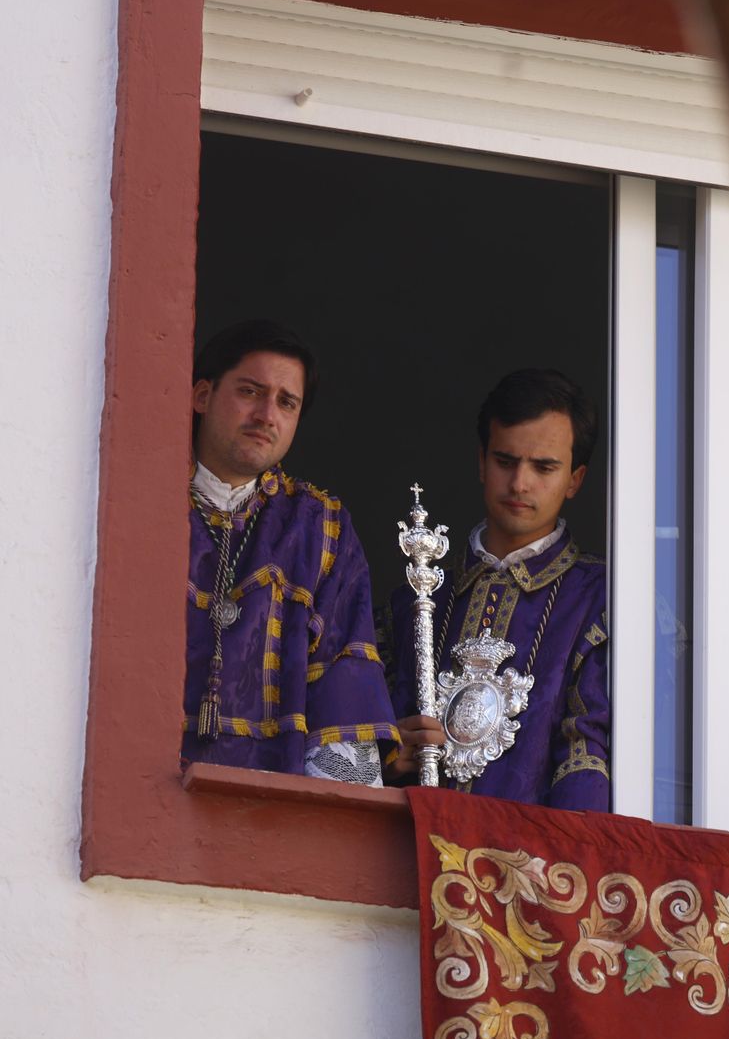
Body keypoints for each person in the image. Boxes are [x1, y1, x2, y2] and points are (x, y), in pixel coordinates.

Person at [183, 319, 400, 784]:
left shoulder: (321, 526)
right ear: (202, 395)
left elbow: (343, 681)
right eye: (249, 391)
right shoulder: (141, 499)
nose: (267, 414)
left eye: (287, 402)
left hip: (269, 818)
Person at [385, 368, 610, 810]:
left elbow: (587, 757)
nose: (520, 483)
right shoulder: (416, 598)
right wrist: (390, 757)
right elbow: (355, 751)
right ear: (481, 463)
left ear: (575, 480)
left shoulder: (601, 600)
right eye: (506, 461)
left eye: (543, 467)